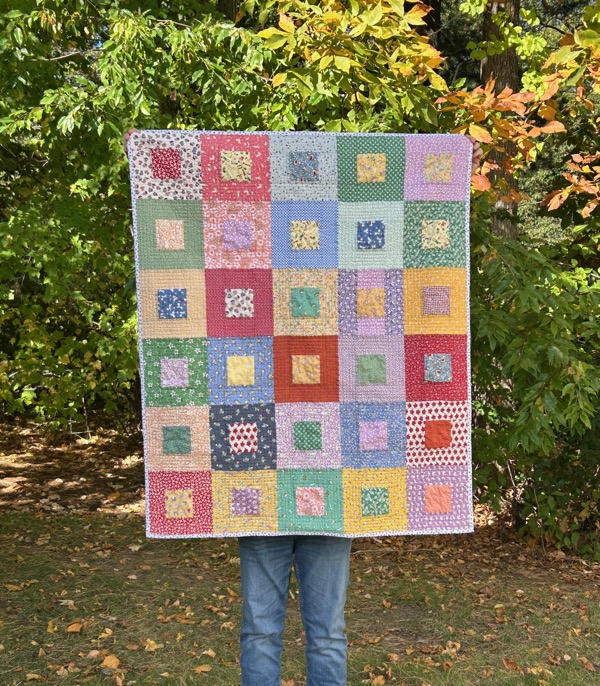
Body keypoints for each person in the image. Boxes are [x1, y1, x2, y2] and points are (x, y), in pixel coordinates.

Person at [124, 128, 483, 686]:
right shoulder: (263, 297)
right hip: (259, 483)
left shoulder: (348, 305)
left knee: (327, 630)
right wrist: (148, 159)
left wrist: (454, 165)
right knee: (261, 628)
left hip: (334, 484)